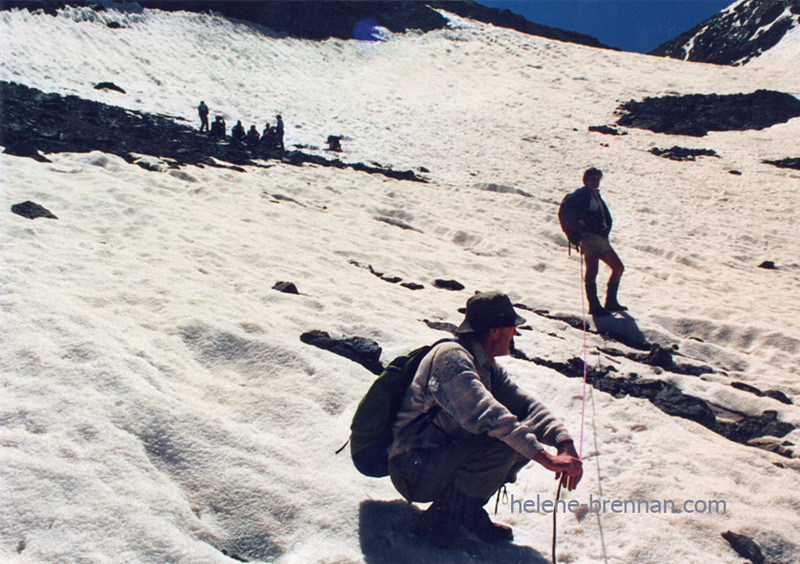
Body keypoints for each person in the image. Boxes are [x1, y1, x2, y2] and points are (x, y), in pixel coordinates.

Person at [388, 291, 583, 547]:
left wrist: (562, 441)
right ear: (494, 332)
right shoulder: (451, 359)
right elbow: (489, 415)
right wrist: (545, 458)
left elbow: (525, 405)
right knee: (507, 439)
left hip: (433, 458)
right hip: (412, 467)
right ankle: (439, 521)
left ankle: (465, 511)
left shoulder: (484, 364)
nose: (515, 334)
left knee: (520, 433)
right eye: (512, 327)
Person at [561, 167, 626, 316]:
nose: (596, 182)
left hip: (600, 238)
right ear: (586, 180)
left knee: (618, 267)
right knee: (592, 271)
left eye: (598, 179)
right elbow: (569, 208)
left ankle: (610, 303)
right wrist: (579, 224)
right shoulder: (582, 194)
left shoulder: (594, 195)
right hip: (589, 238)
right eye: (593, 179)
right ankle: (595, 306)